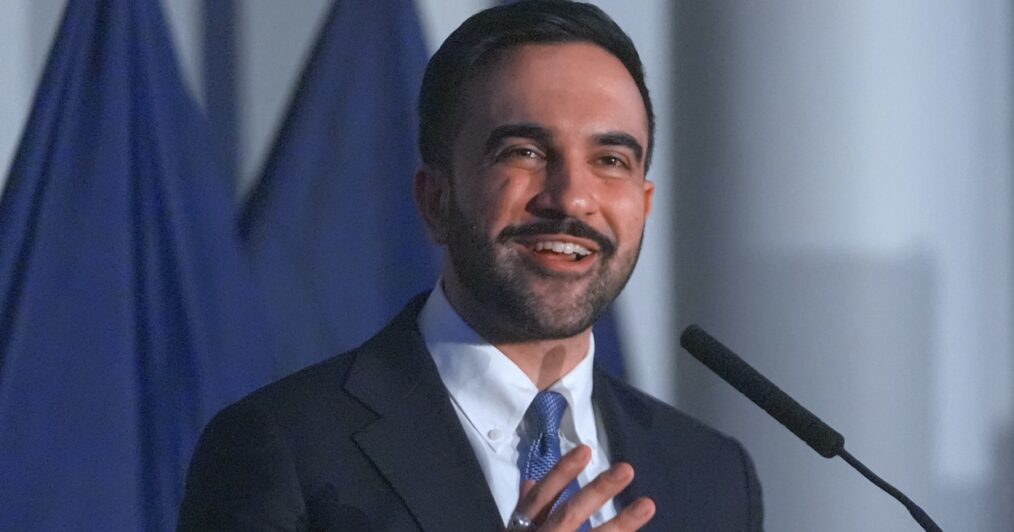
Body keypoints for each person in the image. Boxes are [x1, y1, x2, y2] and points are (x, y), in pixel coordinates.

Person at [177, 1, 763, 530]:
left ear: (643, 204)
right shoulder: (282, 449)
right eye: (525, 153)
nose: (572, 198)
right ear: (436, 200)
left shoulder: (711, 477)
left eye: (610, 159)